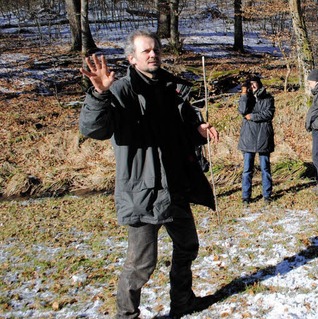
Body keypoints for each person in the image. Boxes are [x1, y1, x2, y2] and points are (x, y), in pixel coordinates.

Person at [78, 30, 219, 319]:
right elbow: (94, 129)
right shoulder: (121, 91)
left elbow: (180, 129)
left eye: (155, 49)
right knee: (141, 264)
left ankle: (183, 302)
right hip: (142, 192)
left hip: (175, 188)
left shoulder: (170, 89)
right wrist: (99, 94)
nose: (153, 54)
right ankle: (126, 315)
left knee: (188, 246)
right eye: (146, 51)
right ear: (132, 58)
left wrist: (197, 129)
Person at [238, 76, 275, 205]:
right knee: (247, 169)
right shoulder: (246, 98)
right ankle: (246, 197)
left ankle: (267, 195)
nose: (252, 86)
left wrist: (252, 116)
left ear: (259, 84)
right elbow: (242, 111)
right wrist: (244, 93)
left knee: (265, 168)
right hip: (248, 138)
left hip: (263, 136)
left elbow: (269, 114)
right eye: (250, 84)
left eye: (254, 84)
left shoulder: (268, 98)